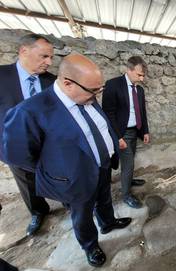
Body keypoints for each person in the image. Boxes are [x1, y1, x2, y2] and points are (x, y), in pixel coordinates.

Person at [2, 53, 132, 267]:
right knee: (82, 215)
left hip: (103, 165)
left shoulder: (86, 94)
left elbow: (97, 125)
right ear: (68, 83)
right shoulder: (30, 111)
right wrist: (56, 171)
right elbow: (16, 156)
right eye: (94, 90)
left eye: (100, 89)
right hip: (74, 178)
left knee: (105, 198)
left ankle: (108, 223)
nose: (97, 95)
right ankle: (90, 245)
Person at [0, 33, 56, 236]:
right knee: (26, 182)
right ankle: (38, 211)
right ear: (24, 51)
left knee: (60, 174)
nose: (49, 62)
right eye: (44, 56)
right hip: (15, 147)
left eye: (51, 57)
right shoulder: (1, 76)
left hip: (50, 144)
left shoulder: (52, 81)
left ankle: (70, 203)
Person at [102, 56, 150, 209]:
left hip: (134, 132)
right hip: (120, 133)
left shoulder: (140, 90)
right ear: (128, 70)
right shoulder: (113, 85)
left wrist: (145, 131)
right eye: (139, 75)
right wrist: (117, 137)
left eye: (143, 75)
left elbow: (142, 112)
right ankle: (126, 195)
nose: (142, 79)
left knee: (130, 161)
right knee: (128, 164)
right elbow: (108, 114)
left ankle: (128, 180)